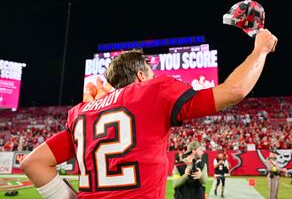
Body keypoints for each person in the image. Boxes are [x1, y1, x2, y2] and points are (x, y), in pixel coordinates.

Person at [20, 29, 278, 199]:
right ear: (142, 76)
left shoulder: (80, 112)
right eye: (151, 74)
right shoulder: (153, 90)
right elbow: (234, 90)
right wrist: (261, 49)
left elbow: (32, 163)